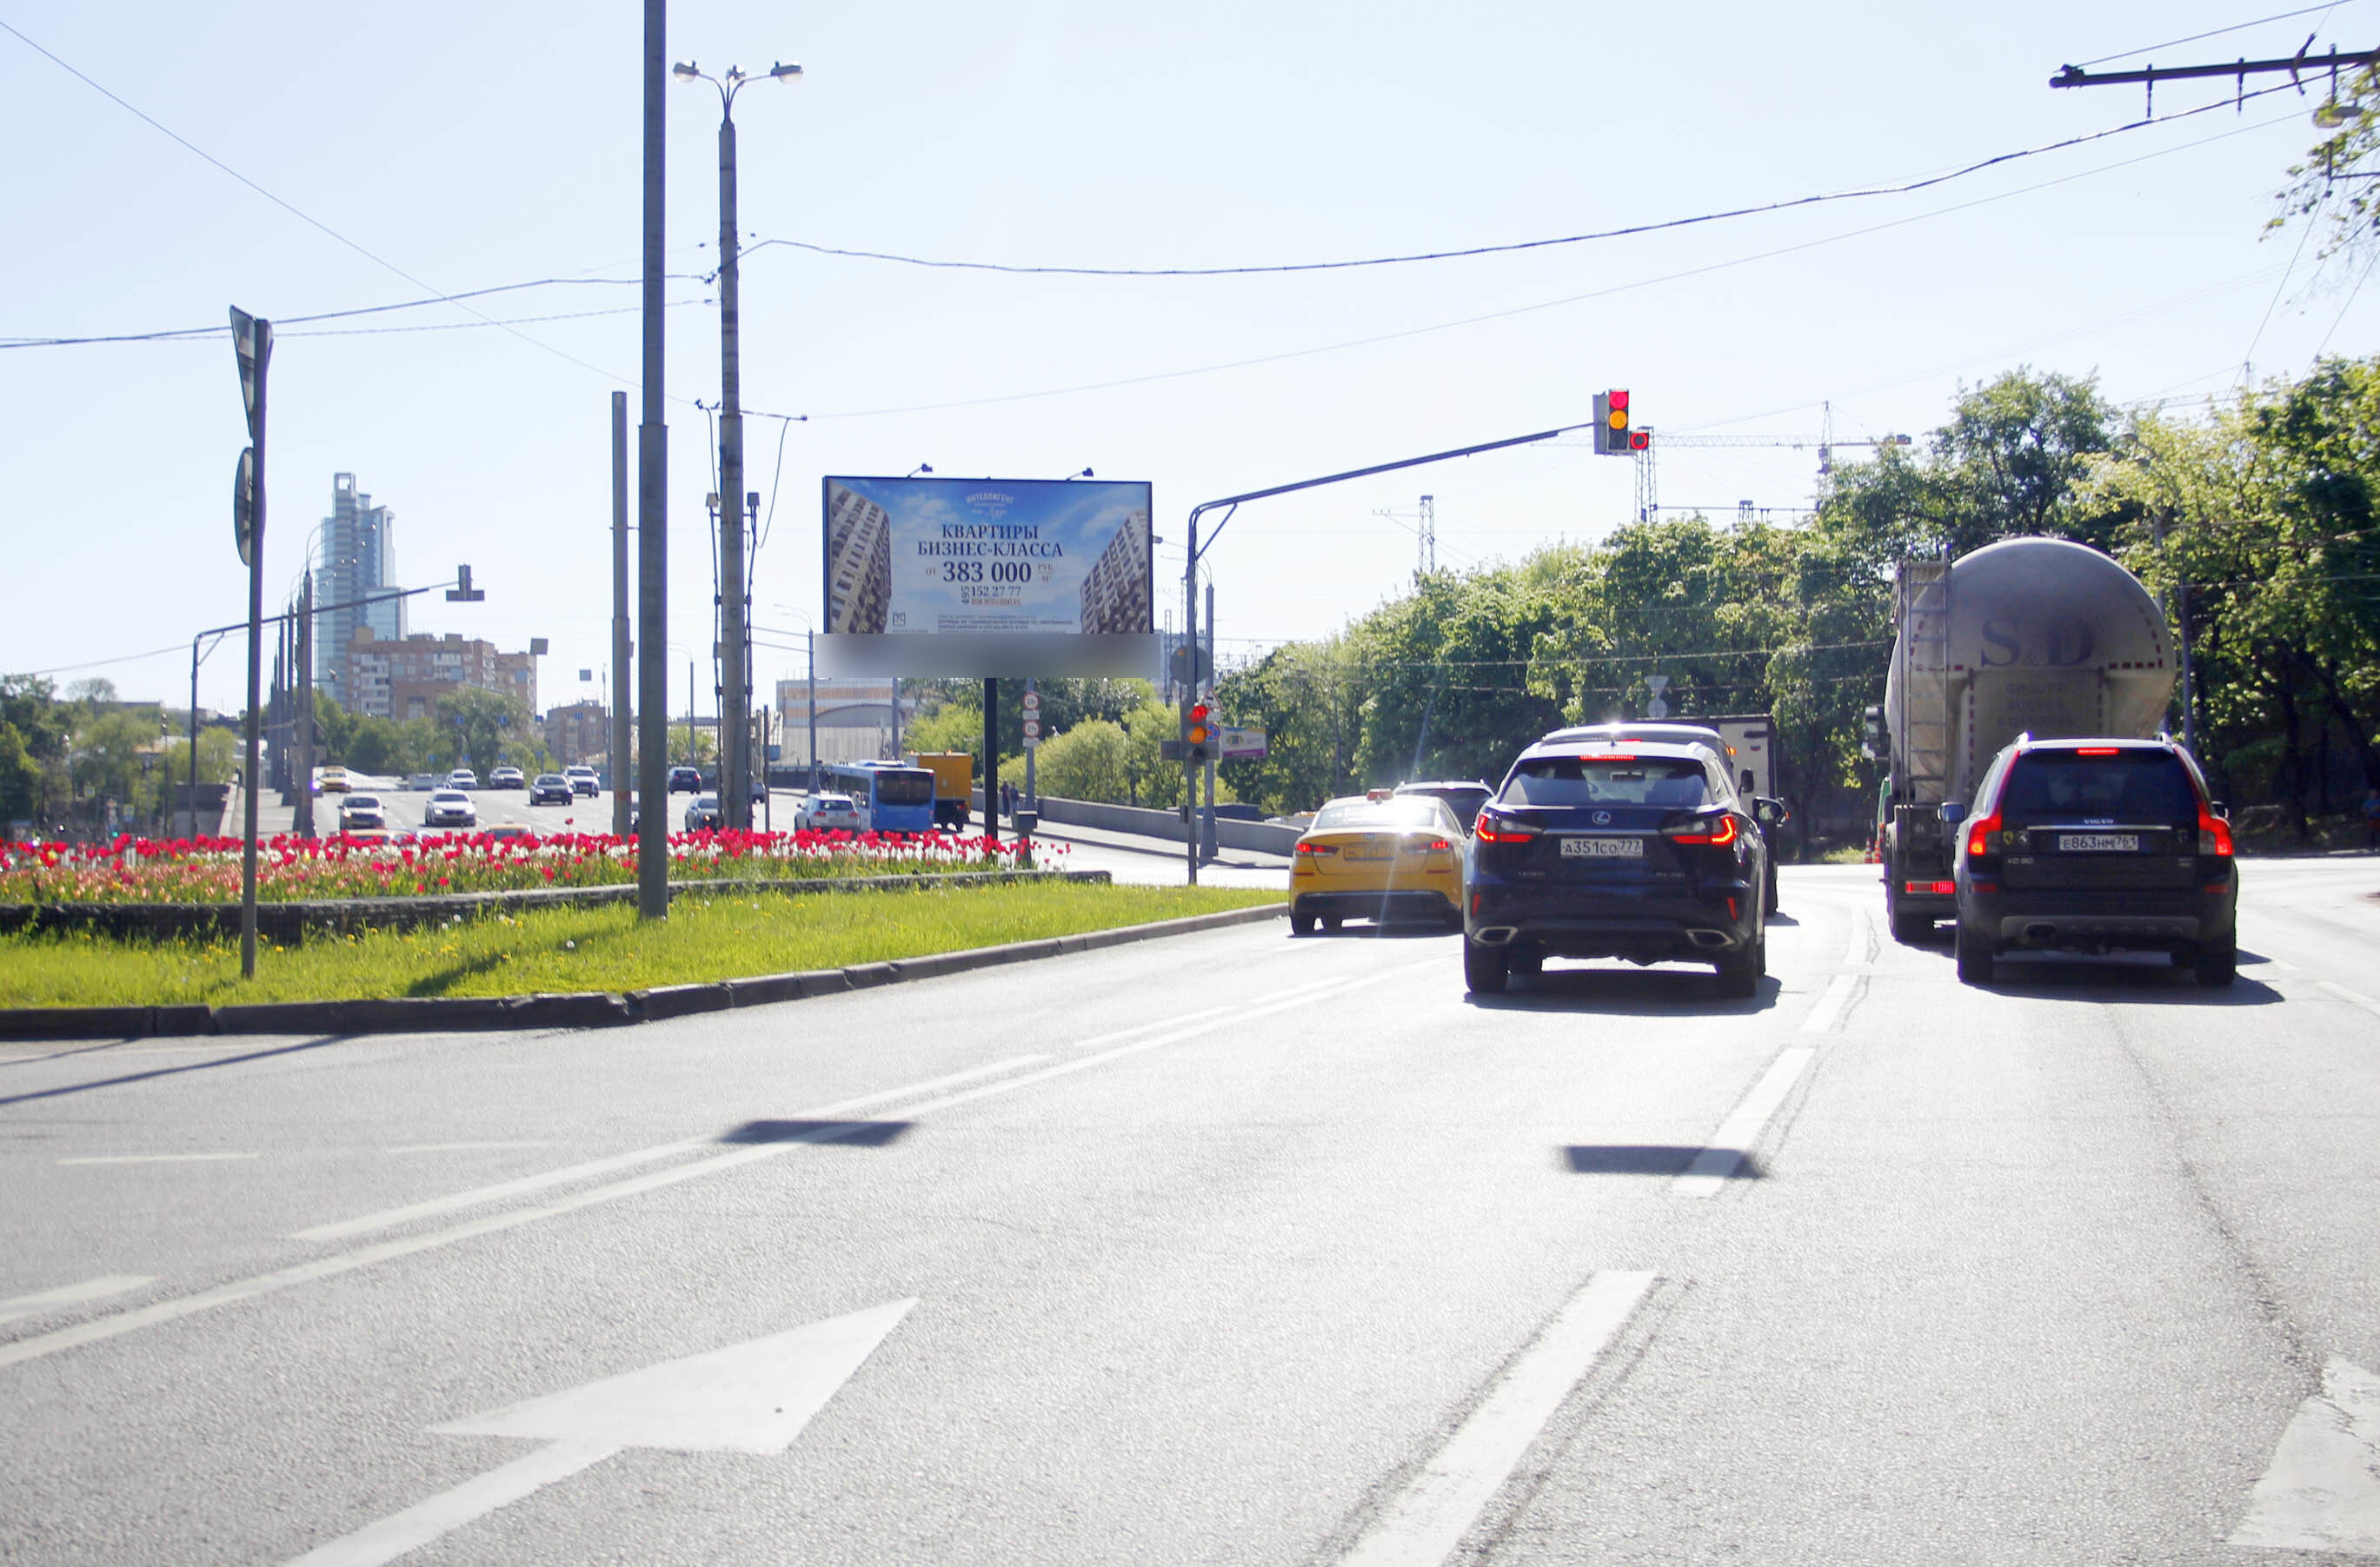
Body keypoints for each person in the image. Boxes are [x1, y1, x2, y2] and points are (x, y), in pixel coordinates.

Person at [2363, 783, 2380, 852]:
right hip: (2371, 818)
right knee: (2372, 832)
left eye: (2373, 793)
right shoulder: (2368, 801)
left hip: (2379, 818)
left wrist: (2375, 808)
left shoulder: (2378, 801)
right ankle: (2372, 846)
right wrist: (2367, 811)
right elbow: (2364, 809)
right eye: (2370, 794)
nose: (2372, 795)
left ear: (2376, 794)